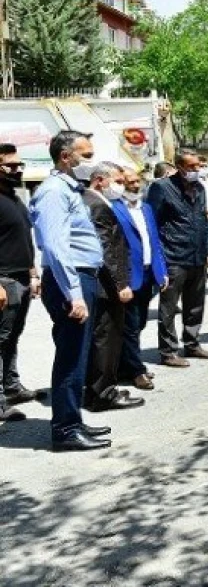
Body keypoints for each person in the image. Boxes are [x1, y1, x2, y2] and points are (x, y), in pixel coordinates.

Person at [28, 131, 112, 451]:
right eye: (86, 155)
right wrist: (74, 293)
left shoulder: (69, 189)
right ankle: (64, 430)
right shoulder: (53, 192)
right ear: (66, 157)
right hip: (70, 281)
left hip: (79, 278)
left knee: (78, 355)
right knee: (70, 357)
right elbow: (56, 246)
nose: (92, 162)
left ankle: (72, 420)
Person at [82, 163, 145, 412]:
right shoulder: (95, 204)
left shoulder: (90, 200)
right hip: (106, 285)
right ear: (100, 180)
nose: (121, 186)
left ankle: (95, 389)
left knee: (100, 338)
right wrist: (120, 284)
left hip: (100, 283)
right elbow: (105, 249)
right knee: (106, 339)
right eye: (117, 181)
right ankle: (104, 394)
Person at [147, 149, 208, 367]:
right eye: (191, 167)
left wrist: (206, 251)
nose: (196, 170)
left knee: (195, 304)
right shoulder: (161, 188)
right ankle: (168, 351)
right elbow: (152, 223)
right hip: (173, 256)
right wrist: (159, 260)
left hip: (196, 256)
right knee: (168, 308)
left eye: (199, 166)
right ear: (179, 166)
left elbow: (203, 221)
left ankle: (192, 343)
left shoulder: (200, 188)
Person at [113, 168, 168, 390]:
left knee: (141, 322)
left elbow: (154, 241)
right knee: (130, 325)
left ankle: (127, 364)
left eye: (138, 182)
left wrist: (161, 270)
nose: (135, 186)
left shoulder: (145, 208)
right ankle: (135, 370)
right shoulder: (114, 209)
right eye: (130, 182)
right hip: (128, 276)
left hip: (148, 274)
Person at [0, 144, 41, 423]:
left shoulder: (14, 198)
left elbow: (24, 240)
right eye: (10, 166)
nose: (17, 170)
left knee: (12, 337)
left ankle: (11, 387)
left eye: (19, 165)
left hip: (22, 278)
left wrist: (33, 273)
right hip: (4, 280)